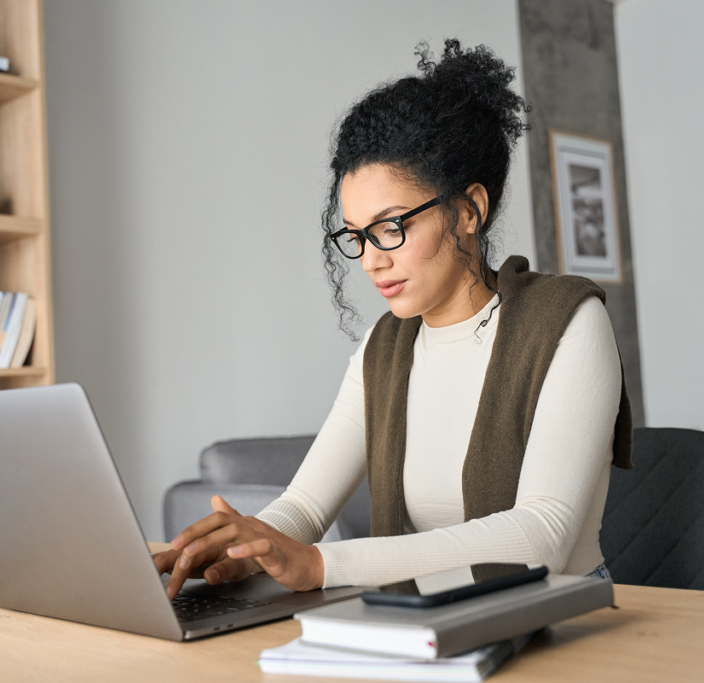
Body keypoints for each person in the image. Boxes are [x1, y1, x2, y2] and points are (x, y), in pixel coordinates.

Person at [155, 39, 631, 599]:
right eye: (357, 235)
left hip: (562, 616)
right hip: (434, 615)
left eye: (391, 226)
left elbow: (541, 535)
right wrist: (248, 548)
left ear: (468, 210)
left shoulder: (567, 321)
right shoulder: (384, 348)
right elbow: (306, 506)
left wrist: (321, 566)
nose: (372, 259)